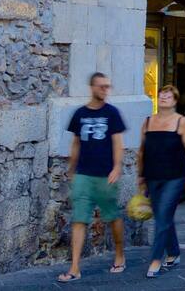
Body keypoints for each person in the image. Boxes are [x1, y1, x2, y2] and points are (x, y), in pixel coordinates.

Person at [58, 73, 127, 283]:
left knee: (112, 216)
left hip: (105, 175)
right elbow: (76, 143)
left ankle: (119, 253)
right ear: (92, 88)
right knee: (79, 219)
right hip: (83, 175)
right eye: (101, 86)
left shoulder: (112, 113)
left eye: (107, 86)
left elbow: (117, 142)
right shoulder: (79, 113)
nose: (105, 90)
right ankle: (75, 267)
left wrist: (116, 167)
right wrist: (72, 168)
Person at [137, 85, 185, 278]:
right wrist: (140, 176)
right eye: (161, 94)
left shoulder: (182, 122)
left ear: (174, 101)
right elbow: (142, 151)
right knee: (163, 216)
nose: (164, 97)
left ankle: (156, 259)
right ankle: (173, 252)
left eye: (168, 95)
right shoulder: (148, 122)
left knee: (163, 214)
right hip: (153, 176)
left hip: (175, 176)